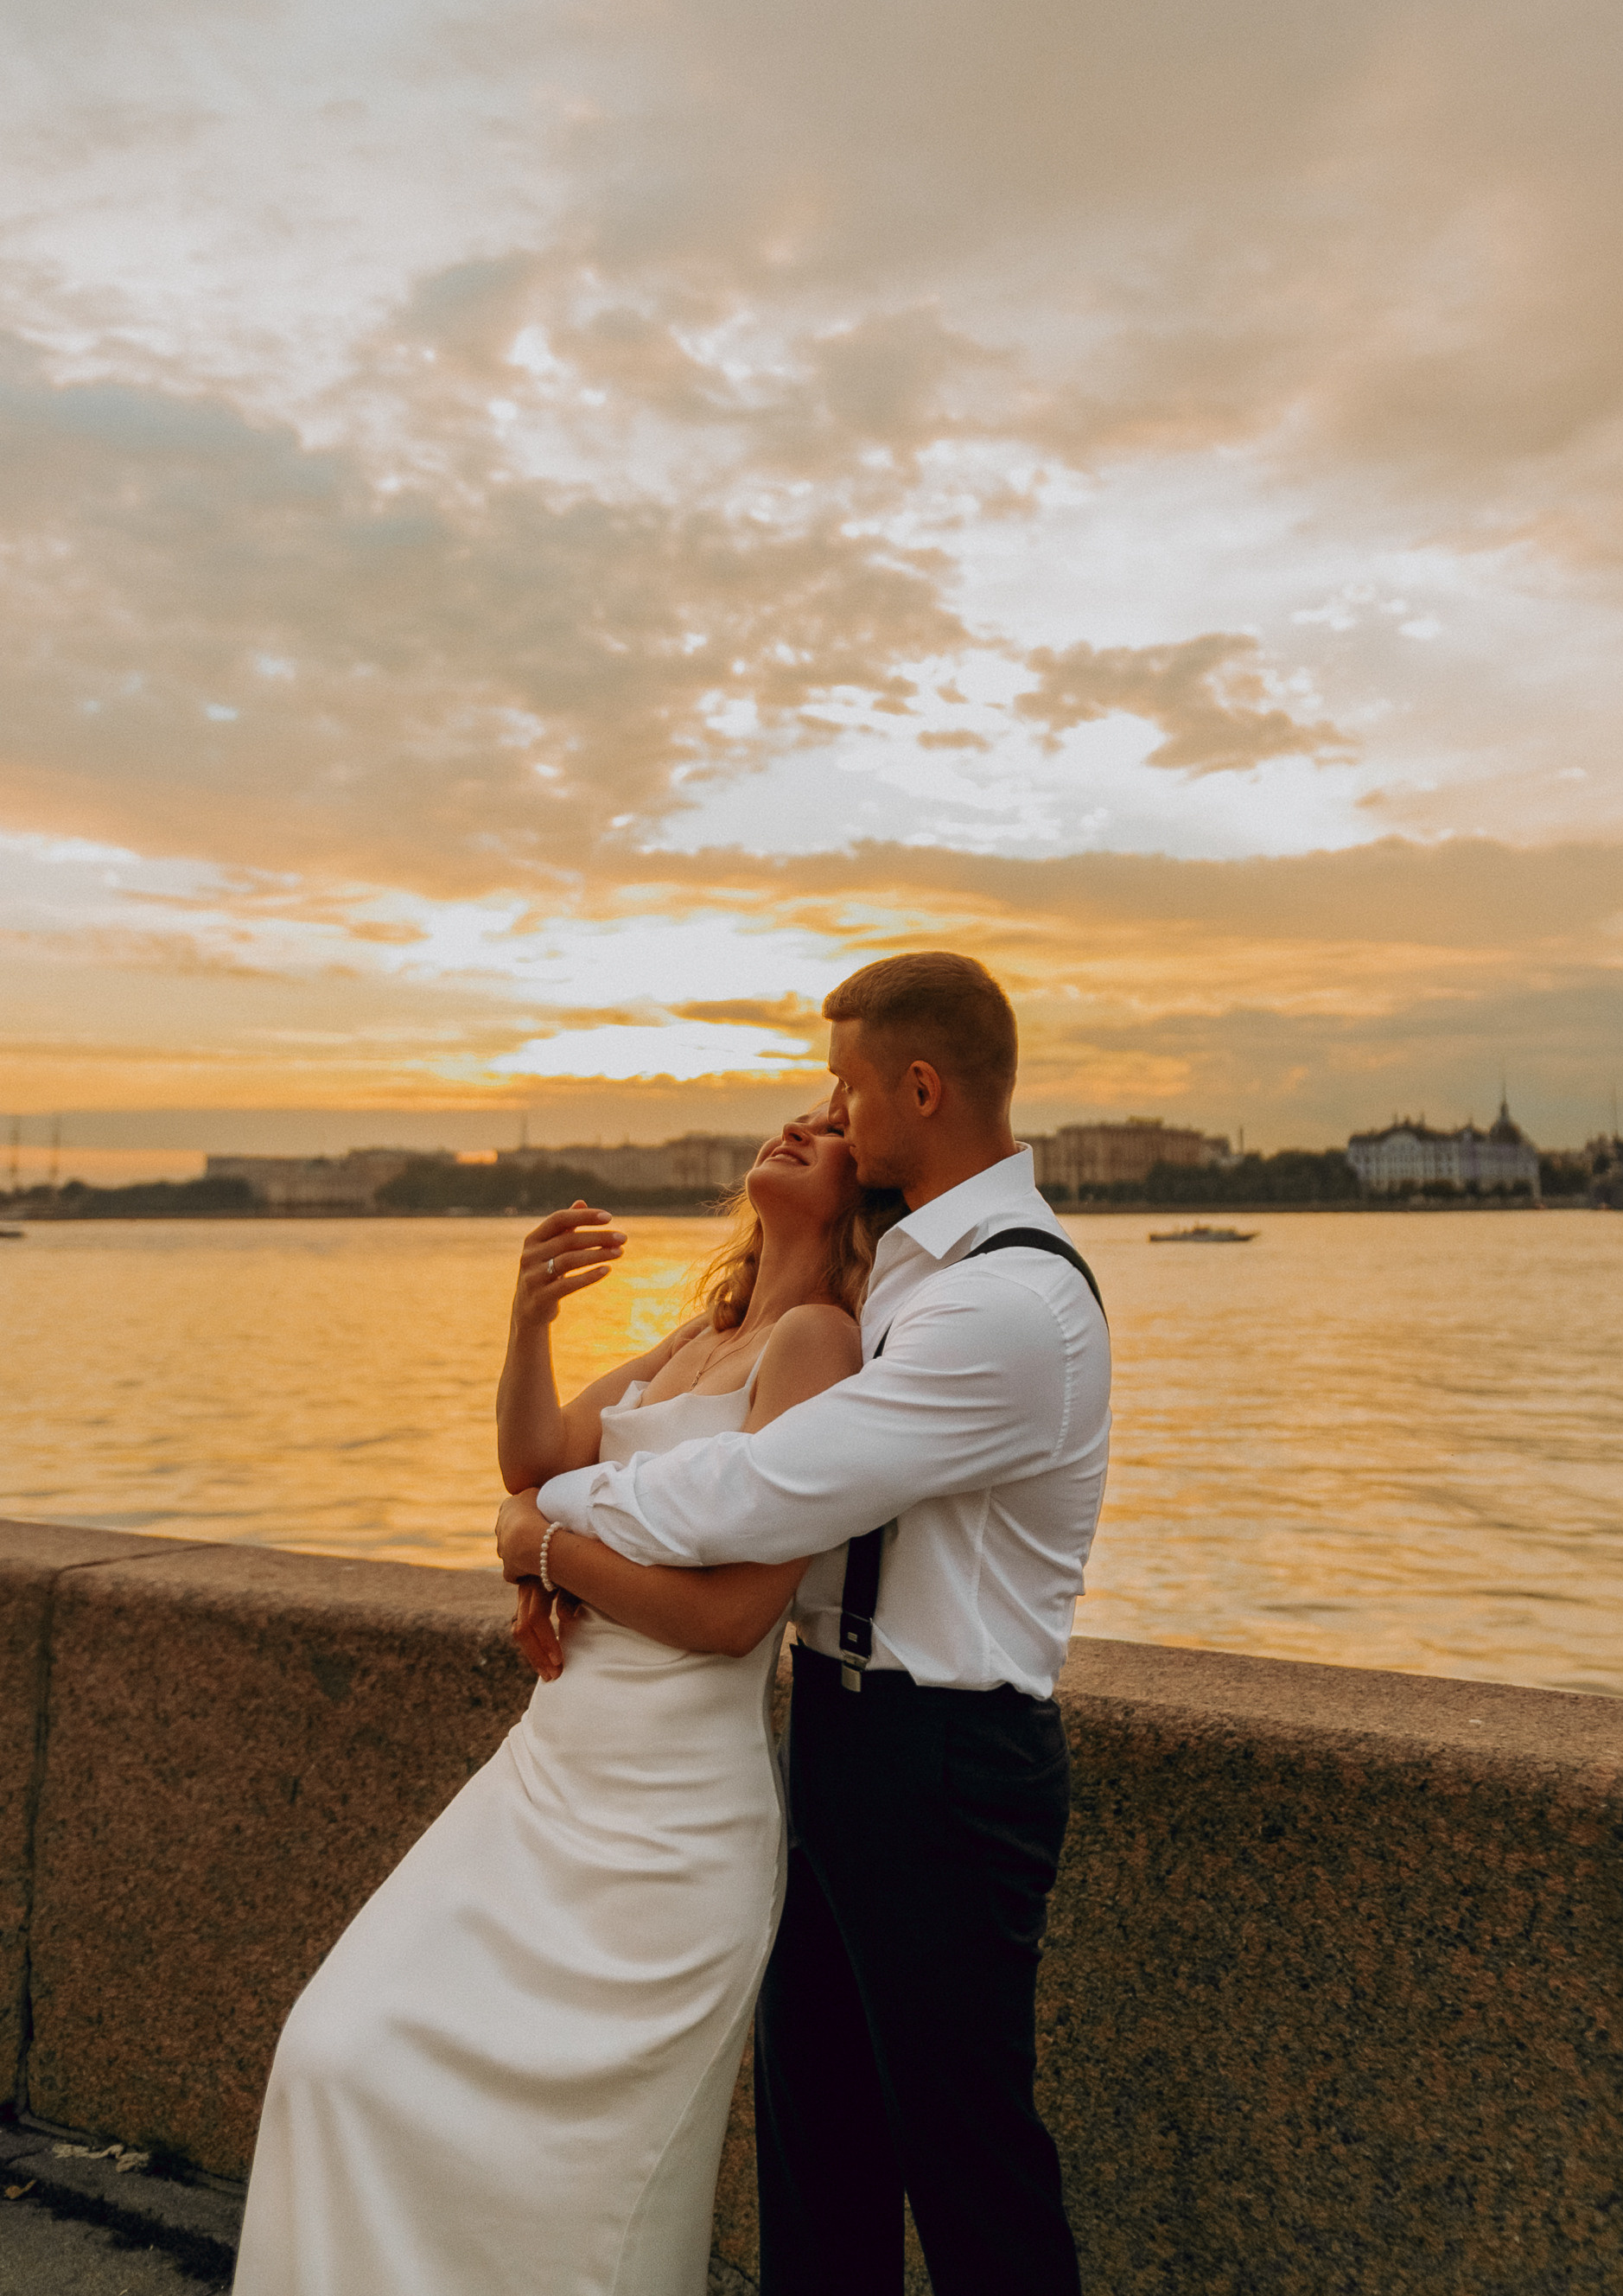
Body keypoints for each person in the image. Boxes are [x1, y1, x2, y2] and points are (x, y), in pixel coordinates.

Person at [233, 1107, 902, 2296]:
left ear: (869, 1185)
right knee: (336, 2052)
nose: (801, 1121)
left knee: (576, 2179)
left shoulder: (816, 1345)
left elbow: (732, 1616)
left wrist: (546, 1553)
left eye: (835, 1122)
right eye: (799, 1106)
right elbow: (532, 1458)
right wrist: (528, 1320)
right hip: (547, 1775)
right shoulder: (709, 1328)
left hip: (669, 1819)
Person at [528, 952, 1112, 2296]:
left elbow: (764, 1491)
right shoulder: (908, 1273)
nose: (832, 1113)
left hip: (952, 1765)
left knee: (971, 2171)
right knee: (821, 2154)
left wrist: (549, 1520)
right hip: (846, 1742)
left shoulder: (1007, 1302)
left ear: (921, 1084)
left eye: (848, 1087)